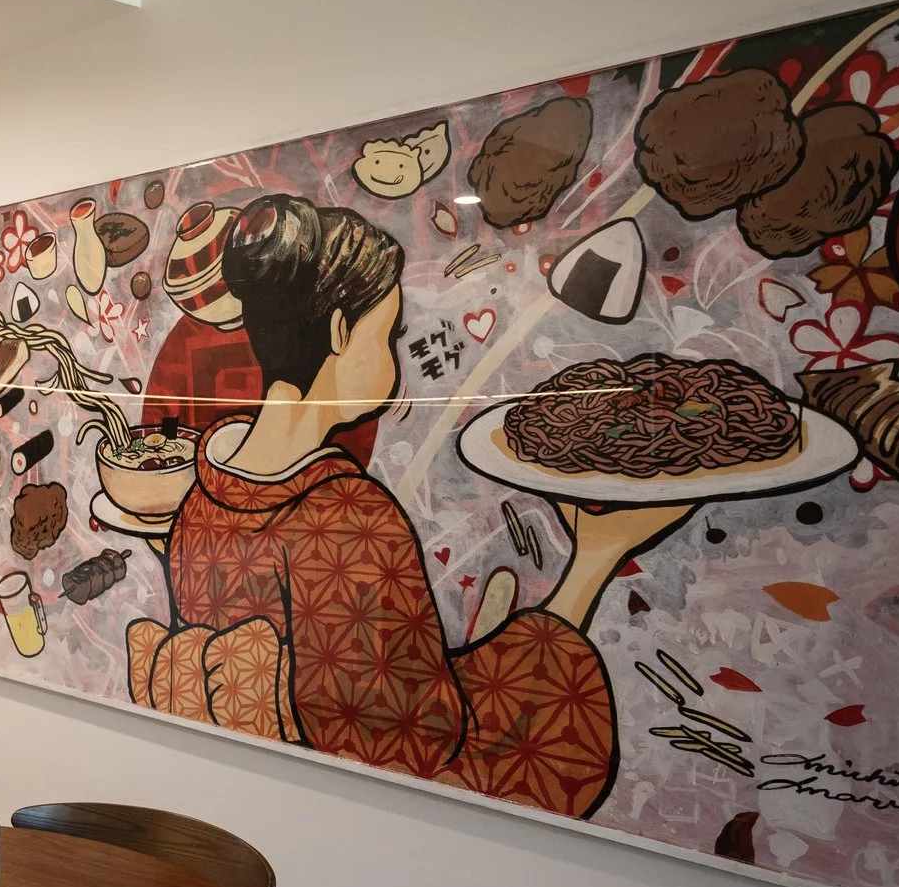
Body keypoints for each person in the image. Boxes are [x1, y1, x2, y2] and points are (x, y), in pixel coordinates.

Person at [128, 193, 687, 819]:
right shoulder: (349, 518)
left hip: (261, 798)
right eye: (389, 333)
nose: (395, 360)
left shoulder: (203, 492)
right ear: (340, 331)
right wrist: (596, 559)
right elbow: (425, 745)